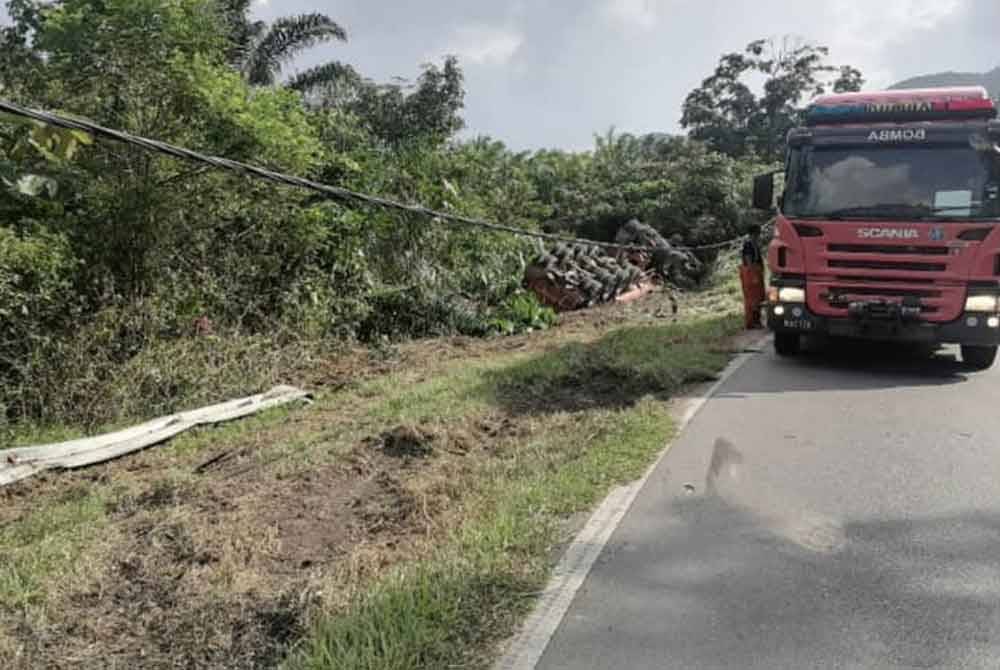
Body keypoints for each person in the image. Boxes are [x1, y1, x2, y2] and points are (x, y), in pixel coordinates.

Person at [739, 224, 765, 329]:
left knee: (759, 297)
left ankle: (756, 320)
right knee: (753, 299)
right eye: (758, 233)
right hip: (751, 272)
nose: (759, 235)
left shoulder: (755, 243)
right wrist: (752, 273)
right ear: (754, 233)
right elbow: (748, 259)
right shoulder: (748, 244)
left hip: (756, 271)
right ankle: (753, 322)